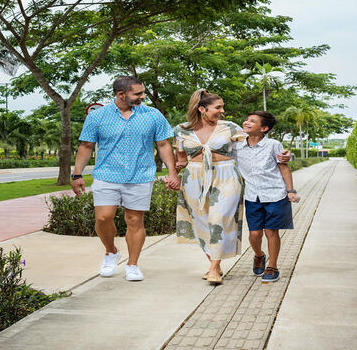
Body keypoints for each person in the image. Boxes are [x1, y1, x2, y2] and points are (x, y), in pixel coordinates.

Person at [172, 89, 290, 285]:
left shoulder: (230, 128)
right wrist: (174, 172)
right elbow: (181, 158)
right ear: (202, 109)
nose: (222, 111)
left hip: (225, 176)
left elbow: (257, 144)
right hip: (194, 177)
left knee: (220, 220)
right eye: (218, 107)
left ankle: (212, 269)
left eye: (222, 107)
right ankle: (215, 266)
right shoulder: (181, 130)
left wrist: (285, 155)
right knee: (201, 223)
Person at [72, 76, 180, 282]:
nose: (142, 97)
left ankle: (132, 264)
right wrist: (77, 174)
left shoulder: (153, 115)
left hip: (140, 175)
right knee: (103, 217)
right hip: (106, 175)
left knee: (134, 220)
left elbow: (164, 145)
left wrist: (172, 172)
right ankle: (111, 251)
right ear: (121, 94)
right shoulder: (98, 116)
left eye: (143, 92)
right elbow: (85, 146)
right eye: (137, 94)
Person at [237, 111, 300, 283]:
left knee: (271, 231)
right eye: (247, 119)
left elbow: (284, 166)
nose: (247, 122)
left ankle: (272, 266)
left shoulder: (273, 144)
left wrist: (291, 190)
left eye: (252, 121)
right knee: (254, 234)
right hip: (252, 196)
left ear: (264, 128)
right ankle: (259, 255)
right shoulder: (237, 146)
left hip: (275, 194)